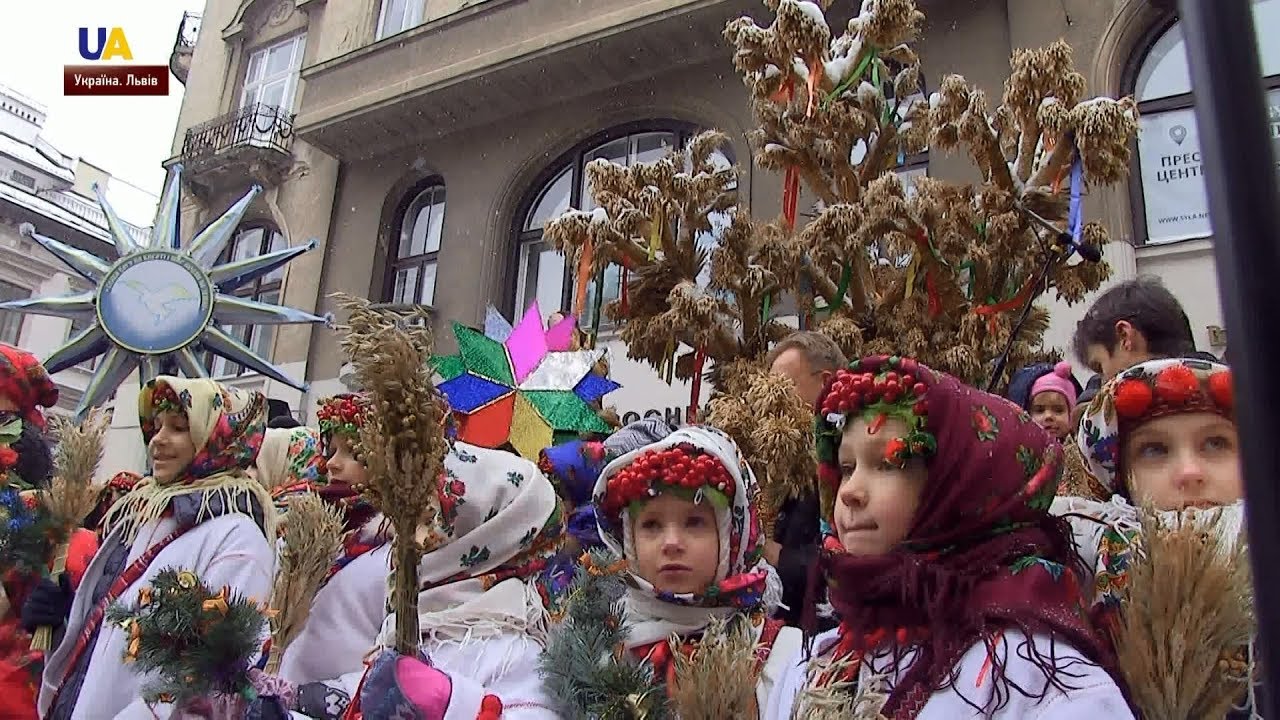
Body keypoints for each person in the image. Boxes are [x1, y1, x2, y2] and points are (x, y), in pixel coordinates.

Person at [766, 355, 1132, 719]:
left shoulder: (1035, 675)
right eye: (847, 468)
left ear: (961, 486)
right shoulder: (818, 659)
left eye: (888, 464)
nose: (850, 492)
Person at [37, 376, 278, 719]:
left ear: (219, 438)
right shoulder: (144, 515)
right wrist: (64, 619)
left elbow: (206, 677)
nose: (157, 441)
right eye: (157, 426)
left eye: (179, 427)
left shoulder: (238, 538)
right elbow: (110, 643)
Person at [545, 425, 801, 717]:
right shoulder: (591, 648)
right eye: (651, 525)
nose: (671, 543)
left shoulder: (778, 657)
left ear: (731, 537)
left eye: (694, 522)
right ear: (628, 540)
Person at [340, 441, 565, 719]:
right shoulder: (424, 614)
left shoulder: (510, 647)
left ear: (483, 534)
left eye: (429, 520)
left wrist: (455, 703)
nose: (404, 538)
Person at [276, 393, 392, 720]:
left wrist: (312, 699)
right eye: (332, 450)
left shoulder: (404, 551)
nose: (332, 463)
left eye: (353, 453)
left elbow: (406, 668)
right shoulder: (316, 532)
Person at [763, 330, 846, 626]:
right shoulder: (781, 464)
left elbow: (854, 568)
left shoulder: (852, 463)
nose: (774, 401)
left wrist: (778, 556)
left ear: (825, 383)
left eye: (784, 387)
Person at [1072, 277, 1195, 381]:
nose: (1104, 383)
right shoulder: (1209, 391)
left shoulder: (1147, 406)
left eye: (1100, 367)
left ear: (1125, 336)